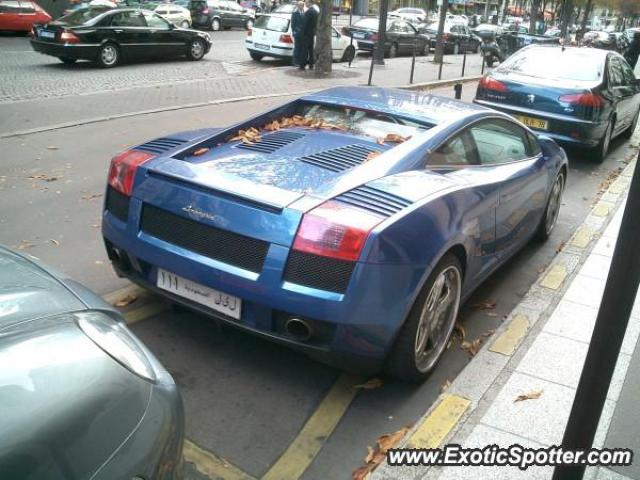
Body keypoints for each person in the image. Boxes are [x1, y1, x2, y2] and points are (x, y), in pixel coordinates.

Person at [301, 0, 318, 69]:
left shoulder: (308, 12)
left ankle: (302, 65)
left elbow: (305, 24)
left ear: (310, 3)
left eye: (306, 3)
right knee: (311, 50)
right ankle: (311, 65)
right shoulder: (316, 12)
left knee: (304, 50)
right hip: (312, 34)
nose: (305, 4)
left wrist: (302, 33)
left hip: (306, 34)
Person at [291, 1, 305, 67]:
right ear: (298, 6)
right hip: (297, 33)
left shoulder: (304, 13)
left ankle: (300, 61)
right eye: (300, 5)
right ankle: (295, 62)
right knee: (297, 48)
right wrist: (294, 31)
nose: (301, 6)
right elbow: (293, 24)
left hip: (303, 34)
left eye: (302, 5)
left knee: (302, 48)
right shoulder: (295, 13)